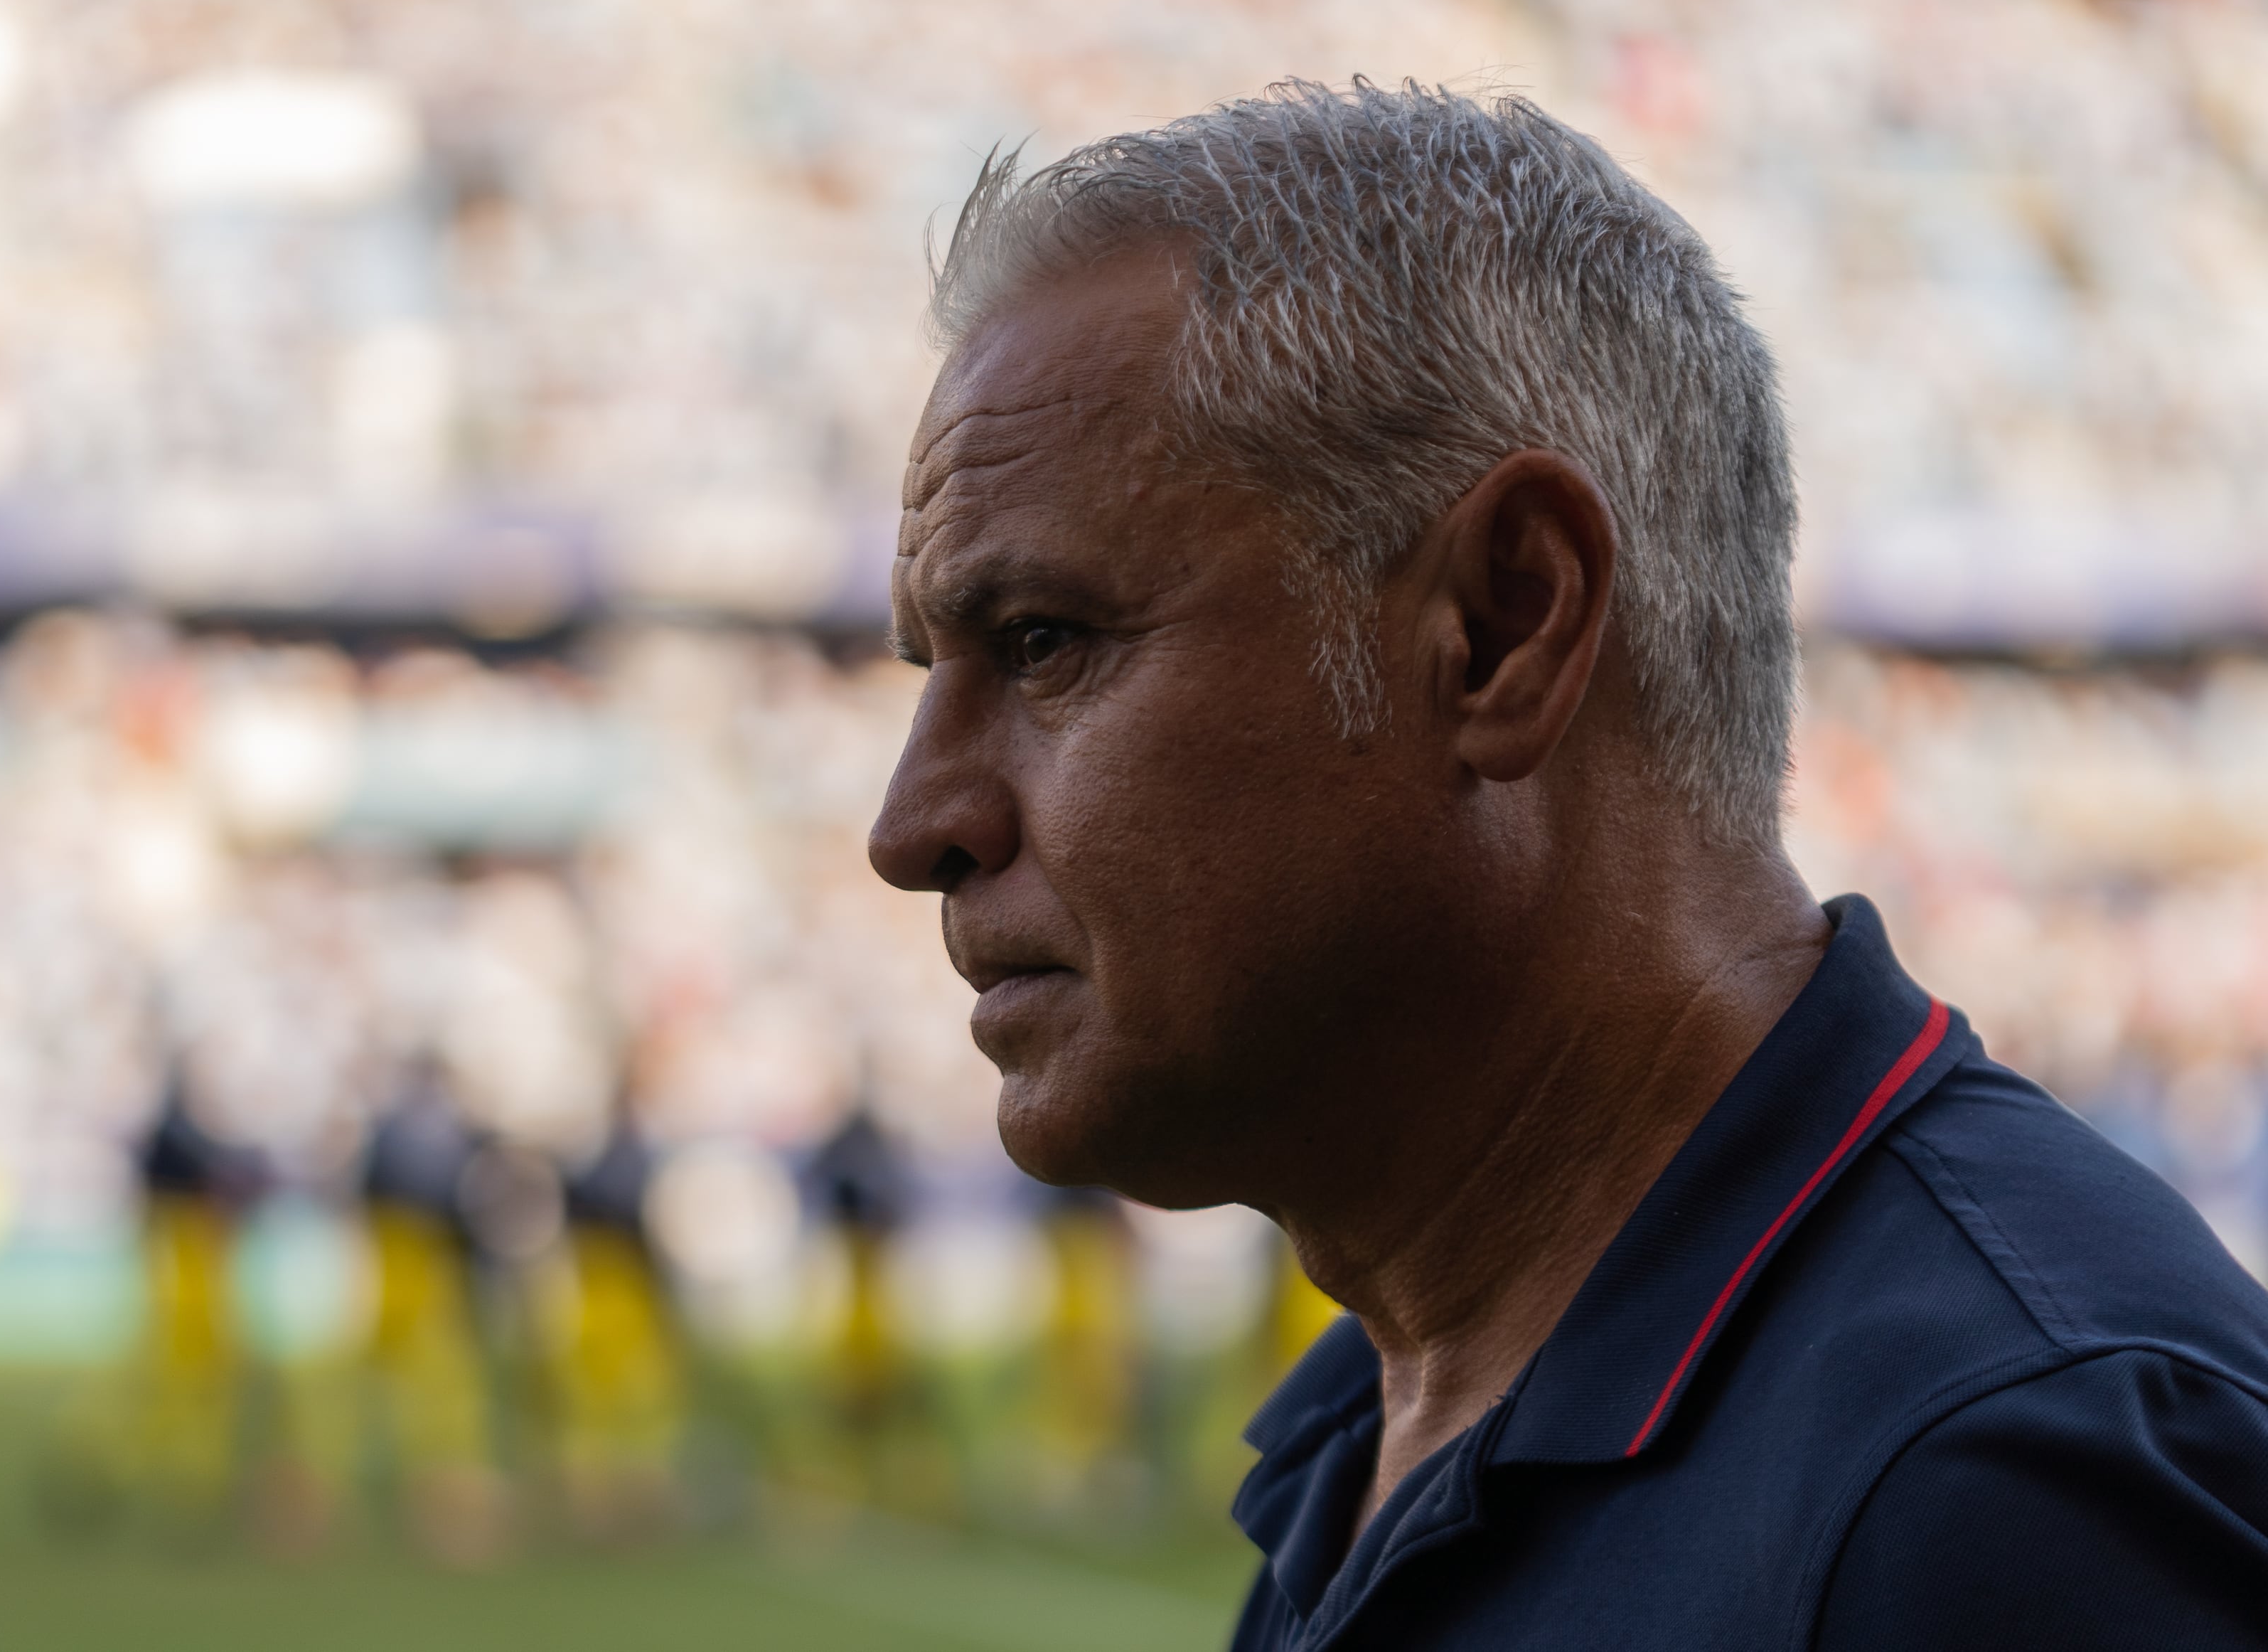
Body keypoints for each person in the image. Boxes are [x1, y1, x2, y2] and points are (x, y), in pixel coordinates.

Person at [867, 80, 2268, 1648]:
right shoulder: (1388, 1413)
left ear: (1501, 627)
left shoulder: (1998, 1483)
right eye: (928, 668)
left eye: (1044, 642)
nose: (913, 821)